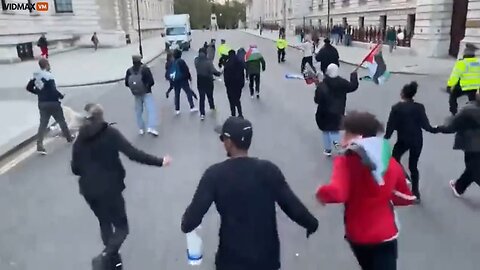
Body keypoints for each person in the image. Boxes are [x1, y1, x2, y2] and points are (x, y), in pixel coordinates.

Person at [182, 116, 319, 270]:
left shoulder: (214, 175)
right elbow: (292, 205)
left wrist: (187, 223)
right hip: (267, 258)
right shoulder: (269, 170)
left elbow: (191, 220)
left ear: (228, 142)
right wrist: (311, 223)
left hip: (231, 259)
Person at [71, 103, 171, 270]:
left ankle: (114, 264)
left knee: (104, 223)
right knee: (122, 228)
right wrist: (160, 162)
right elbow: (133, 154)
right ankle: (105, 257)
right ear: (101, 117)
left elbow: (75, 169)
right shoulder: (110, 133)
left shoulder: (80, 139)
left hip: (89, 191)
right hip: (110, 189)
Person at [316, 111, 415, 270]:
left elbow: (338, 192)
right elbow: (405, 197)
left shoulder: (345, 162)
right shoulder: (390, 162)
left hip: (358, 234)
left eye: (346, 135)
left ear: (358, 138)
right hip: (386, 233)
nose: (342, 140)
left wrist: (321, 193)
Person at [384, 81, 438, 202]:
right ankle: (416, 192)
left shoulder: (396, 108)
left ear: (402, 94)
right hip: (417, 139)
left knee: (394, 158)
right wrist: (436, 129)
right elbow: (426, 125)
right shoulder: (419, 107)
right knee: (413, 166)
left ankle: (403, 176)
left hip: (403, 139)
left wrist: (386, 137)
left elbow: (391, 125)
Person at [436, 90, 480, 197]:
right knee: (473, 168)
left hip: (472, 144)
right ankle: (459, 187)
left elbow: (452, 126)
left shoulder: (468, 110)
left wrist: (438, 128)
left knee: (473, 169)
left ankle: (459, 187)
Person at [26, 58, 74, 155]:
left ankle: (39, 145)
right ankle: (69, 138)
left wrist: (38, 93)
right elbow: (53, 90)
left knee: (43, 124)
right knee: (61, 120)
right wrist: (60, 96)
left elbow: (28, 87)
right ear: (47, 65)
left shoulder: (36, 76)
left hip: (42, 103)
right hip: (53, 103)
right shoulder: (49, 76)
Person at [314, 64, 358, 156]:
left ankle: (327, 149)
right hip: (337, 111)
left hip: (324, 112)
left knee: (325, 130)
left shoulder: (323, 85)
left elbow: (317, 100)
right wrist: (353, 75)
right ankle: (338, 147)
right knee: (334, 130)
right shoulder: (342, 83)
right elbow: (353, 86)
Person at [124, 55, 158, 136]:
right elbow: (152, 82)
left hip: (136, 94)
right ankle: (151, 127)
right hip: (146, 92)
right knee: (151, 110)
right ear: (140, 61)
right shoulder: (145, 69)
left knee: (138, 112)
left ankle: (141, 128)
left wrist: (135, 88)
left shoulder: (129, 71)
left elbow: (126, 83)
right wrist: (146, 86)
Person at [447, 43, 480, 116]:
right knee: (474, 101)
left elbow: (455, 76)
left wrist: (449, 86)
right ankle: (476, 114)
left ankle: (454, 113)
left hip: (464, 87)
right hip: (475, 87)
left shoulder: (462, 63)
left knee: (452, 97)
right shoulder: (478, 62)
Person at [194, 48, 221, 120]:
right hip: (208, 80)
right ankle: (212, 107)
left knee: (201, 98)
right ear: (205, 53)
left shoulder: (196, 61)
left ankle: (202, 113)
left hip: (200, 80)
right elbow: (213, 70)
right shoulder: (208, 62)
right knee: (210, 95)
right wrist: (219, 73)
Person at [168, 49, 198, 115]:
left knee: (177, 94)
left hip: (175, 80)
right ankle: (192, 107)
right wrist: (189, 77)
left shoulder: (172, 62)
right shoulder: (181, 61)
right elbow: (186, 70)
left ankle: (177, 109)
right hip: (183, 80)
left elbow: (170, 71)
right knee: (188, 92)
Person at [223, 50, 245, 118]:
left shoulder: (227, 64)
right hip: (238, 84)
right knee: (237, 99)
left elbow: (225, 76)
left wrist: (226, 84)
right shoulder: (239, 62)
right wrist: (242, 83)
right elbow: (242, 74)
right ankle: (240, 113)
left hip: (230, 85)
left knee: (231, 100)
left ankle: (233, 114)